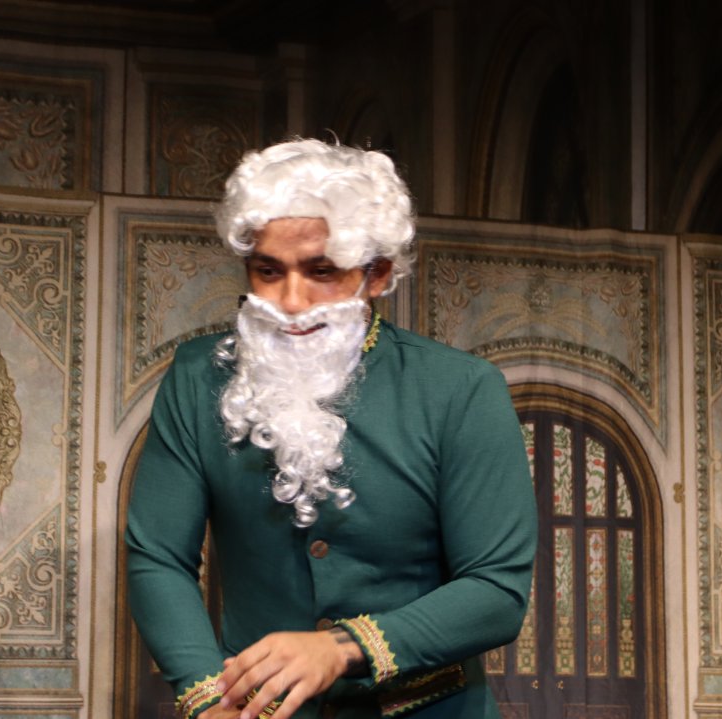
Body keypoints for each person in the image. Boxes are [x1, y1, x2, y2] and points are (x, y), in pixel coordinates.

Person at [126, 138, 537, 719]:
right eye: (268, 271)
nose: (291, 302)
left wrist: (342, 649)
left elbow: (496, 592)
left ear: (377, 274)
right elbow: (159, 556)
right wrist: (206, 696)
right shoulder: (197, 377)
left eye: (321, 271)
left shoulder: (462, 390)